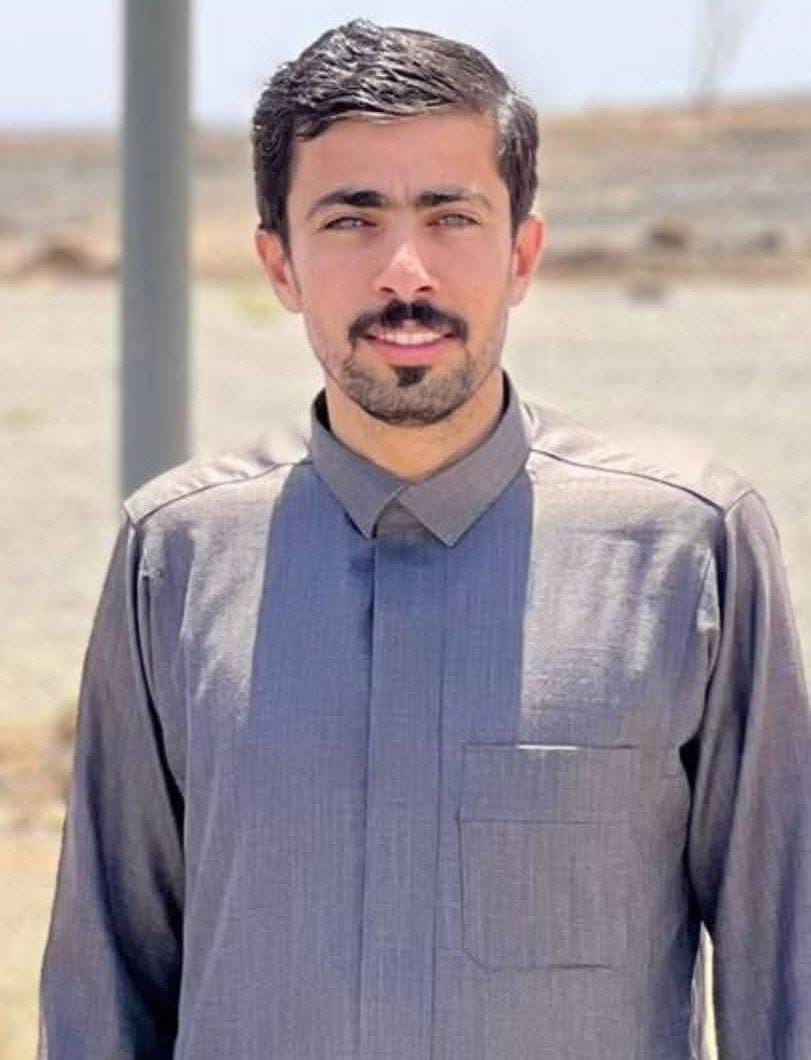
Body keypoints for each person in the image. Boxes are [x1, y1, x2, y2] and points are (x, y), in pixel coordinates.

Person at [38, 18, 810, 1060]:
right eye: (351, 221)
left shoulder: (684, 550)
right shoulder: (176, 555)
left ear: (521, 254)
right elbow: (106, 984)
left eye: (450, 217)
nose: (405, 273)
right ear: (279, 264)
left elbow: (786, 972)